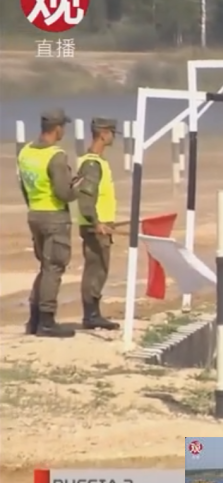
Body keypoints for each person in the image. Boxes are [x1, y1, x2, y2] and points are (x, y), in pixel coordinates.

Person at [16, 108, 81, 338]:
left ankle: (34, 319)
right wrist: (78, 188)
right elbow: (64, 193)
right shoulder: (56, 155)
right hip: (54, 215)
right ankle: (46, 321)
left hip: (34, 212)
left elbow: (23, 186)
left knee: (45, 266)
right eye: (63, 127)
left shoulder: (25, 152)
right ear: (57, 128)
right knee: (54, 268)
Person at [75, 118, 121, 330]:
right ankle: (91, 315)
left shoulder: (95, 161)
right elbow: (86, 197)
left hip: (101, 223)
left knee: (99, 268)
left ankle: (93, 314)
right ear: (103, 134)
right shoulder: (92, 164)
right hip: (96, 225)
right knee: (96, 269)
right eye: (112, 133)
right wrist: (96, 222)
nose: (113, 137)